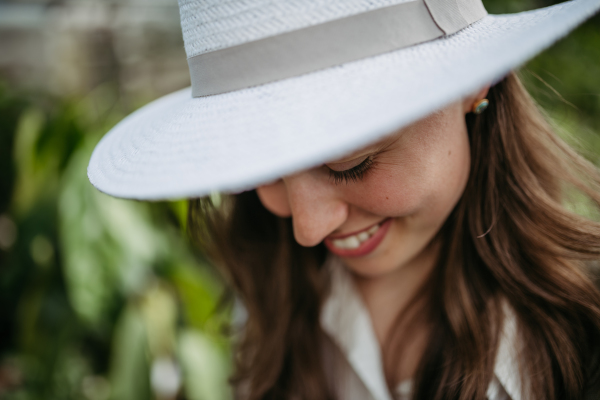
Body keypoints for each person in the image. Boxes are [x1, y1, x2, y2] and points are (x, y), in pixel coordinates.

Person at [87, 0, 600, 399]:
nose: (308, 229)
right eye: (261, 172)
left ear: (471, 84)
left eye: (350, 163)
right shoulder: (271, 291)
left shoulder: (582, 333)